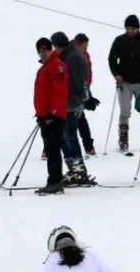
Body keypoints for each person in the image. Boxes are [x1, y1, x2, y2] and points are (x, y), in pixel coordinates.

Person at [107, 15, 140, 153]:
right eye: (128, 28)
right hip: (124, 83)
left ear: (138, 28)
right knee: (124, 111)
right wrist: (116, 74)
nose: (130, 31)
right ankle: (123, 139)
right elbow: (112, 59)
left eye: (133, 28)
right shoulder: (119, 41)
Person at [51, 31, 92, 185]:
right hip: (66, 103)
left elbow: (80, 80)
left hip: (72, 103)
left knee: (69, 136)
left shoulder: (73, 56)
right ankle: (73, 168)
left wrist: (85, 98)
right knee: (64, 137)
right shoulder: (68, 54)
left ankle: (78, 170)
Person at [33, 36, 69, 195]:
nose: (42, 54)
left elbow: (59, 91)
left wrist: (51, 113)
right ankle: (53, 179)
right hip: (44, 116)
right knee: (49, 148)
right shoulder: (46, 67)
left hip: (53, 117)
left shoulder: (57, 66)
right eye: (39, 52)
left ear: (48, 49)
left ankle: (55, 181)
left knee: (53, 148)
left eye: (43, 50)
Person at [74, 33, 98, 157]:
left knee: (80, 119)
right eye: (83, 47)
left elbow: (88, 74)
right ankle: (88, 146)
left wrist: (88, 92)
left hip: (83, 89)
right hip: (72, 93)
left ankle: (88, 146)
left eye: (86, 47)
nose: (85, 50)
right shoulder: (70, 55)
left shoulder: (85, 56)